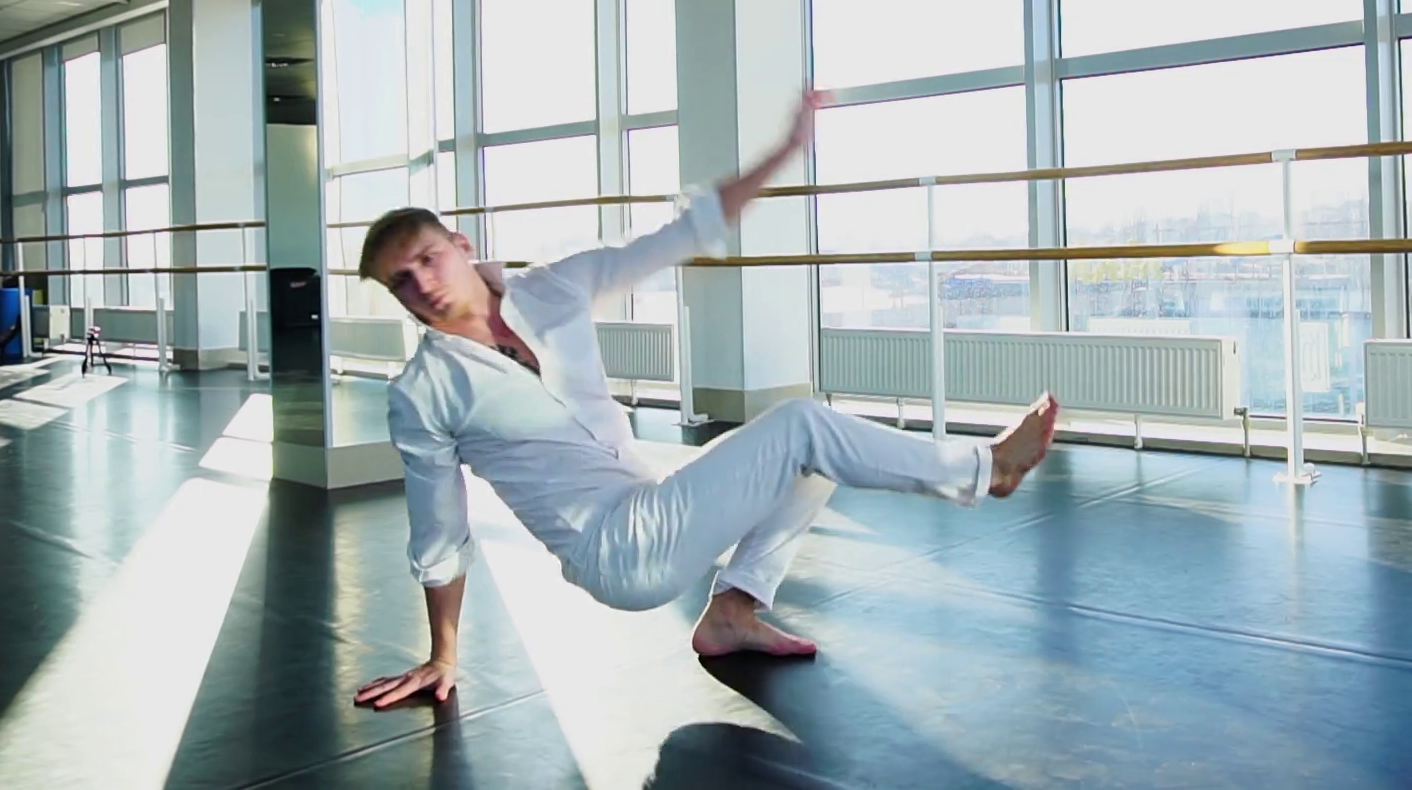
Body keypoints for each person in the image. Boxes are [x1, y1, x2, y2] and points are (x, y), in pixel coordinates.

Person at [352, 91, 1061, 710]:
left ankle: (732, 613)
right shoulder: (424, 391)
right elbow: (439, 531)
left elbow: (681, 234)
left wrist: (785, 150)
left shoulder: (551, 289)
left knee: (812, 458)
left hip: (650, 499)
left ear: (460, 243)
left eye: (427, 259)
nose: (422, 285)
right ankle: (986, 470)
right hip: (616, 553)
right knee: (803, 426)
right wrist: (443, 655)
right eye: (400, 282)